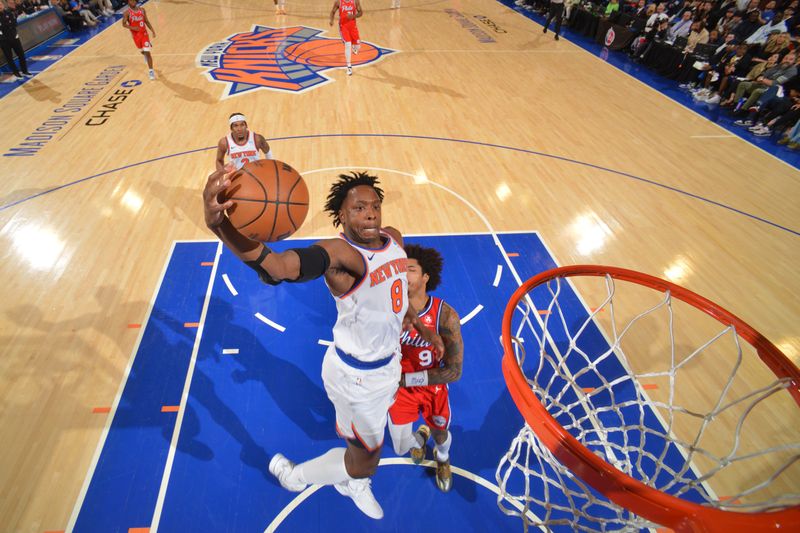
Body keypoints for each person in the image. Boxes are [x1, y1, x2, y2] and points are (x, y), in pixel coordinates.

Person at [202, 169, 444, 520]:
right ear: (341, 215)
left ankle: (352, 479)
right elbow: (280, 268)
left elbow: (396, 301)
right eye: (359, 208)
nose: (371, 213)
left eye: (375, 205)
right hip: (356, 378)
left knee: (361, 447)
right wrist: (220, 226)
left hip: (385, 366)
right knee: (364, 461)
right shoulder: (340, 255)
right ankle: (296, 477)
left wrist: (421, 327)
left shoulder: (394, 239)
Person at [387, 244, 463, 493]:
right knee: (400, 448)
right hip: (399, 390)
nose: (403, 275)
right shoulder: (388, 309)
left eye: (409, 269)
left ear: (425, 277)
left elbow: (454, 372)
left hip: (432, 387)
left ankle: (442, 459)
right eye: (400, 269)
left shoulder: (445, 315)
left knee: (441, 434)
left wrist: (407, 379)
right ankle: (420, 436)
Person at [122, 0, 156, 80]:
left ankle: (151, 71)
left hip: (144, 34)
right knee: (142, 51)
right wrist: (133, 28)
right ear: (128, 2)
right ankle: (144, 54)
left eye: (134, 0)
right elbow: (123, 24)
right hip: (135, 36)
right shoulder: (127, 13)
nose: (133, 2)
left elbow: (146, 21)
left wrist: (152, 30)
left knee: (148, 52)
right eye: (131, 0)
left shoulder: (142, 10)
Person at [329, 0, 362, 76]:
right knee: (348, 44)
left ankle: (355, 47)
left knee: (358, 46)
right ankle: (349, 66)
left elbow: (361, 13)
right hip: (343, 27)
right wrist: (331, 20)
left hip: (353, 27)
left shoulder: (355, 1)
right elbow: (332, 12)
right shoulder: (338, 2)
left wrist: (353, 16)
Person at [0, 0, 31, 80]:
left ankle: (25, 71)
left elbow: (14, 23)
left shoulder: (8, 12)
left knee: (21, 54)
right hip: (4, 40)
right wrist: (8, 24)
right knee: (9, 57)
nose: (0, 6)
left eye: (0, 4)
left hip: (14, 37)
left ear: (3, 4)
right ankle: (16, 72)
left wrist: (7, 24)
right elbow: (3, 27)